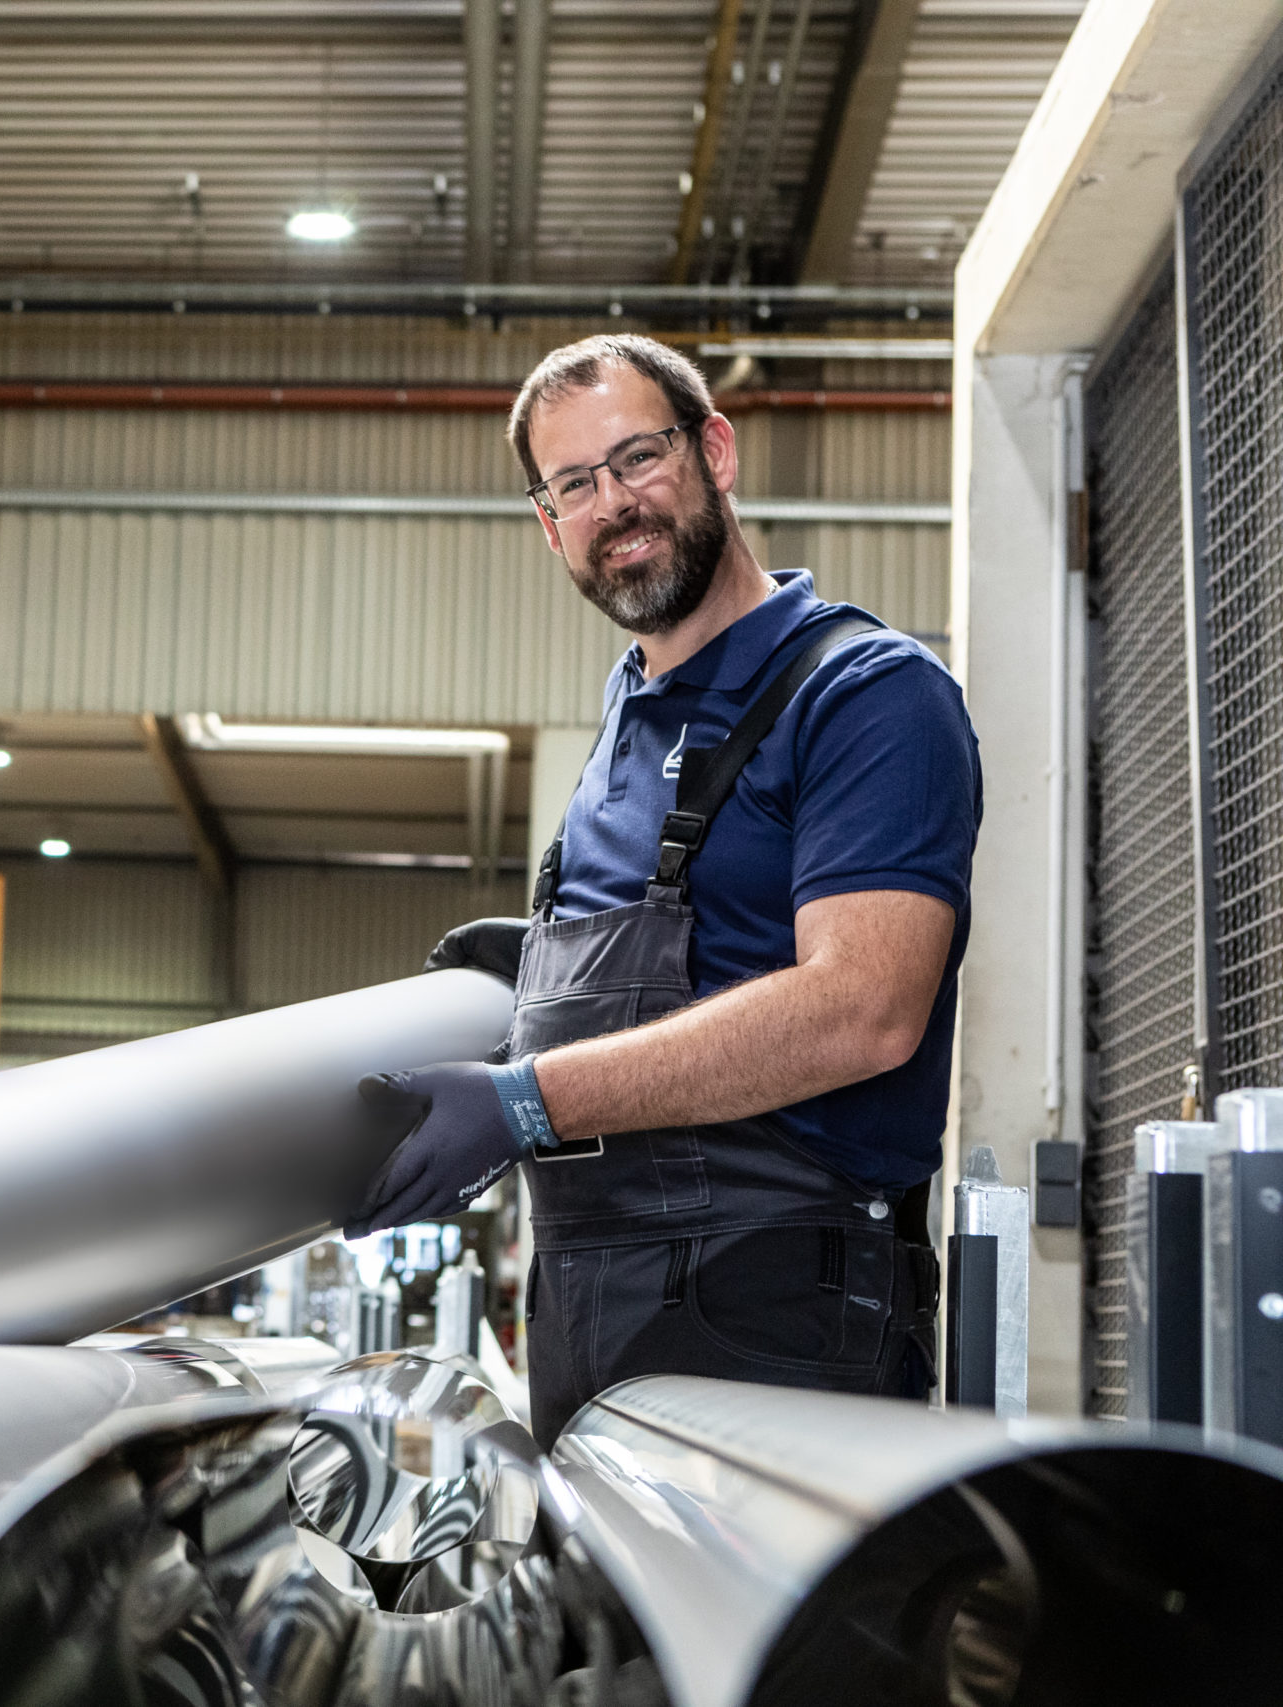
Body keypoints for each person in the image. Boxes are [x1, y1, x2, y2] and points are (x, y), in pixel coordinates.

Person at [347, 334, 981, 1446]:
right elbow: (711, 951)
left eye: (638, 457)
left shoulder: (863, 693)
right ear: (549, 525)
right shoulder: (628, 716)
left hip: (777, 1319)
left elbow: (865, 1008)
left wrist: (525, 1098)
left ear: (714, 452)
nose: (614, 504)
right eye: (574, 485)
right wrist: (536, 978)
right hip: (591, 1310)